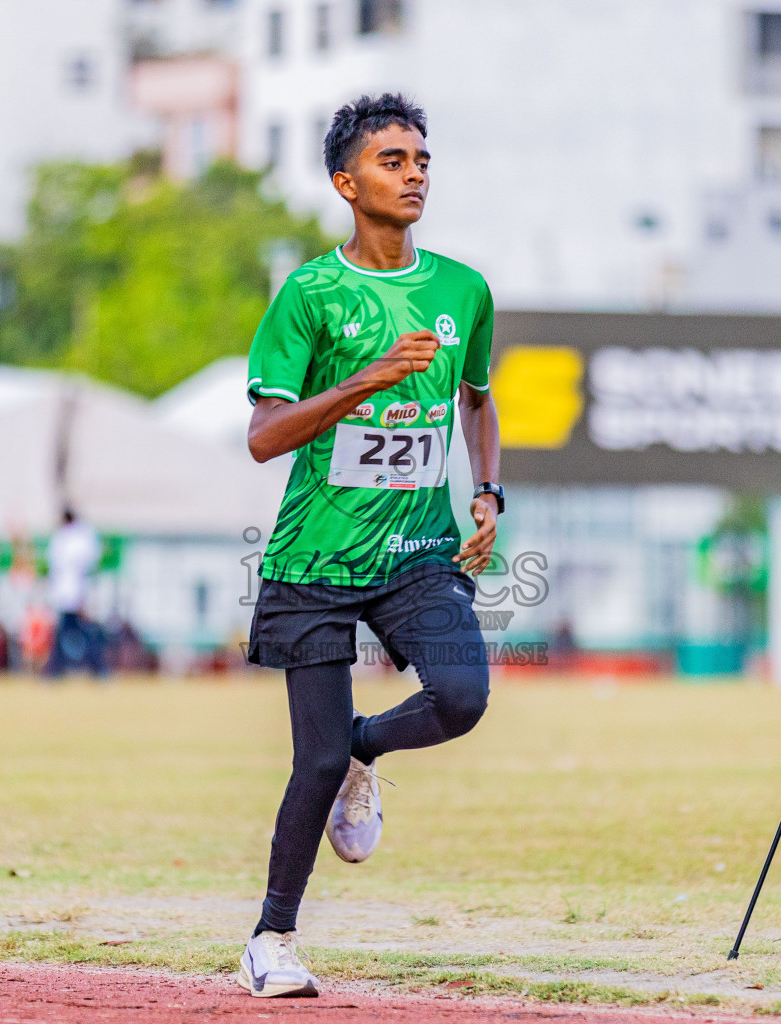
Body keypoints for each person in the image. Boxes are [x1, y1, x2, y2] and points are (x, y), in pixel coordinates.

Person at [237, 94, 503, 999]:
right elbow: (265, 437)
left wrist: (488, 490)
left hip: (419, 551)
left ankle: (365, 745)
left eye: (422, 159)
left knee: (462, 696)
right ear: (346, 183)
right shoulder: (311, 295)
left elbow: (476, 400)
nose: (415, 173)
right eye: (393, 161)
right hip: (315, 558)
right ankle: (272, 939)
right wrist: (368, 378)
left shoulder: (463, 290)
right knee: (311, 763)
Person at [44, 507, 106, 678]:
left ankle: (95, 668)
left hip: (72, 594)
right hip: (72, 593)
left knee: (77, 632)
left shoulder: (69, 538)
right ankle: (95, 669)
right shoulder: (80, 536)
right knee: (75, 632)